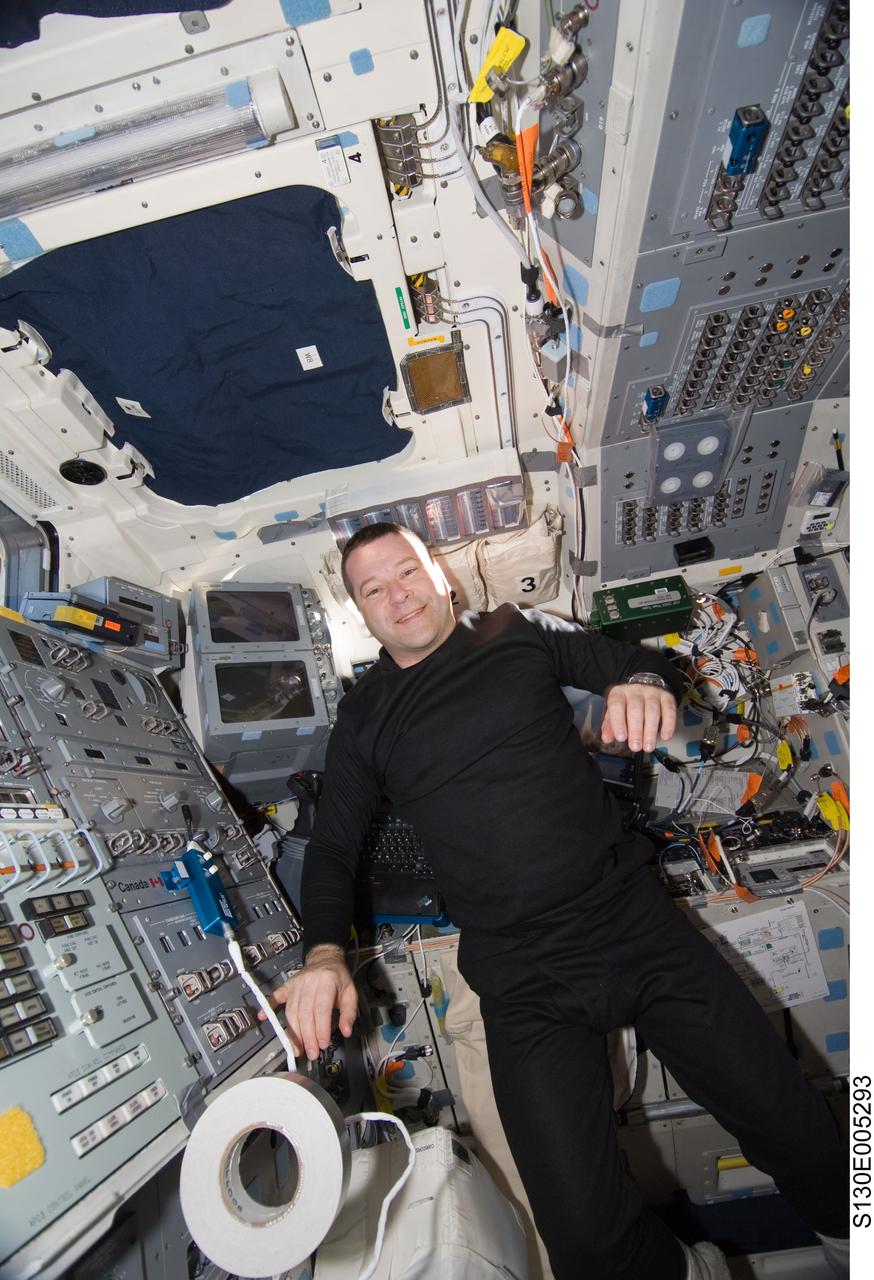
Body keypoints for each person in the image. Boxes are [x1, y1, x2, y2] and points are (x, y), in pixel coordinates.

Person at [262, 522, 849, 1280]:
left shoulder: (515, 630)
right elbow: (335, 848)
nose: (395, 595)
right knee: (586, 1245)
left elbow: (638, 662)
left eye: (404, 572)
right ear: (361, 613)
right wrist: (322, 953)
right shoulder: (365, 716)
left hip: (628, 921)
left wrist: (643, 685)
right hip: (521, 975)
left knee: (801, 1129)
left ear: (438, 574)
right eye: (372, 589)